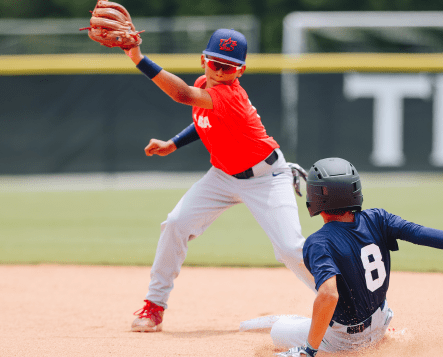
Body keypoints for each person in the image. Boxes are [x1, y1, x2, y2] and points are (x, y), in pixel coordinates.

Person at [123, 28, 316, 332]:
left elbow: (182, 95)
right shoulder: (205, 85)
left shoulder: (230, 95)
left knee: (290, 249)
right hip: (222, 176)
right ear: (204, 60)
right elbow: (202, 119)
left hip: (266, 177)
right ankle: (154, 305)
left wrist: (138, 57)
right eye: (216, 63)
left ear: (241, 70)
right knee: (175, 223)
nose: (221, 71)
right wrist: (173, 143)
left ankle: (349, 305)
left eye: (229, 66)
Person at [268, 157, 443, 356]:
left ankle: (308, 343)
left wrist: (309, 350)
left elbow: (329, 294)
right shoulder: (378, 218)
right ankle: (376, 336)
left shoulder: (318, 242)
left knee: (277, 331)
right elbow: (419, 233)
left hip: (344, 342)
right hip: (381, 323)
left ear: (316, 198)